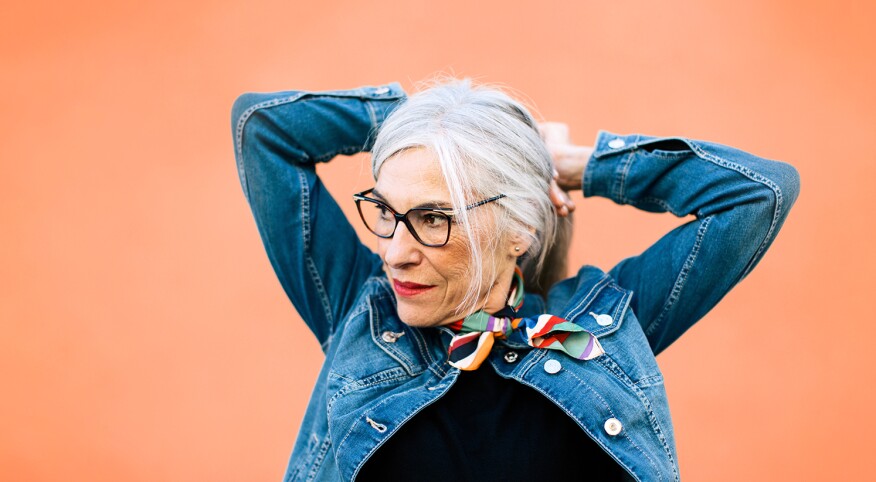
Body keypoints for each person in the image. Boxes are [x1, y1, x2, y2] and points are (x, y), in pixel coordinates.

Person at [230, 78, 799, 481]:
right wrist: (446, 117)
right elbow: (264, 129)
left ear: (520, 229)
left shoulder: (600, 327)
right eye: (385, 211)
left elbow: (757, 195)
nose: (394, 253)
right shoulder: (362, 311)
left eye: (432, 219)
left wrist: (585, 165)